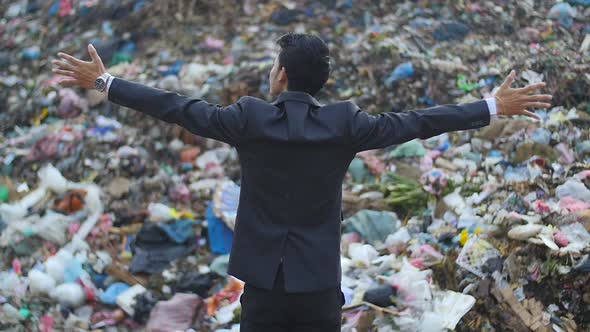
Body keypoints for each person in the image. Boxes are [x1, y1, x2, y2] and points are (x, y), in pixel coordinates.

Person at [53, 33, 552, 332]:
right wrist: (490, 106)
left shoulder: (248, 119)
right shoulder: (345, 125)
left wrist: (105, 82)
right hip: (318, 286)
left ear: (281, 75)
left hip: (264, 286)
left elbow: (178, 107)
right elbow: (419, 121)